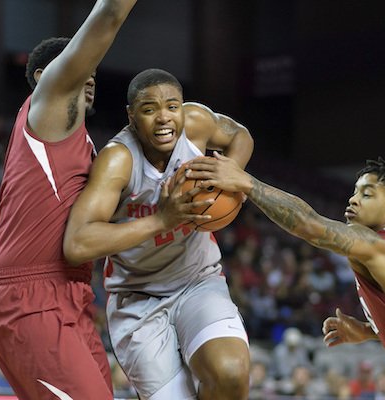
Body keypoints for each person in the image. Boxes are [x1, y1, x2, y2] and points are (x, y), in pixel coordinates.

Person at [186, 155, 385, 399]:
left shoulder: (379, 247)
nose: (353, 199)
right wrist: (369, 330)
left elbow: (309, 226)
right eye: (354, 192)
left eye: (367, 194)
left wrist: (247, 183)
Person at [63, 68, 254, 400]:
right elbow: (78, 243)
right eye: (149, 109)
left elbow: (240, 134)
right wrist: (161, 221)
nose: (164, 118)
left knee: (231, 374)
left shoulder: (196, 124)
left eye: (172, 106)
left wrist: (232, 170)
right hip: (138, 297)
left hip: (197, 279)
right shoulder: (118, 160)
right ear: (132, 116)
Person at [0, 1, 138, 399]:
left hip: (71, 294)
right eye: (80, 66)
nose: (90, 77)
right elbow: (108, 17)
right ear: (42, 77)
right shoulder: (47, 105)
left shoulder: (84, 147)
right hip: (29, 296)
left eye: (93, 73)